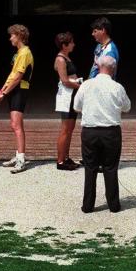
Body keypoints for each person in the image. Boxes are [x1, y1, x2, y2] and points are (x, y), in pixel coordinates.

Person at [74, 55, 131, 213]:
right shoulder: (117, 87)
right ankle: (113, 205)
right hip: (111, 131)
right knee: (111, 168)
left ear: (98, 67)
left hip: (90, 130)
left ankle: (88, 205)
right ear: (113, 69)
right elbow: (127, 107)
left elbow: (76, 106)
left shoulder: (86, 85)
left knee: (90, 168)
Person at [0, 24, 34, 174]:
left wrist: (5, 93)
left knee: (17, 125)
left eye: (12, 35)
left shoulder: (25, 52)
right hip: (14, 90)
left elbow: (19, 76)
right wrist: (4, 88)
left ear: (19, 36)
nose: (10, 38)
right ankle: (18, 154)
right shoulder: (18, 53)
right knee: (14, 124)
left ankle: (21, 159)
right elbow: (12, 74)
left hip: (20, 90)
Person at [53, 31, 83, 170]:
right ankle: (60, 161)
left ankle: (66, 156)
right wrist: (81, 87)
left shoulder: (67, 57)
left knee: (70, 129)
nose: (73, 44)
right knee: (65, 129)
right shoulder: (60, 59)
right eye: (71, 42)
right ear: (64, 45)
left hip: (72, 95)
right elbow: (64, 80)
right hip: (67, 96)